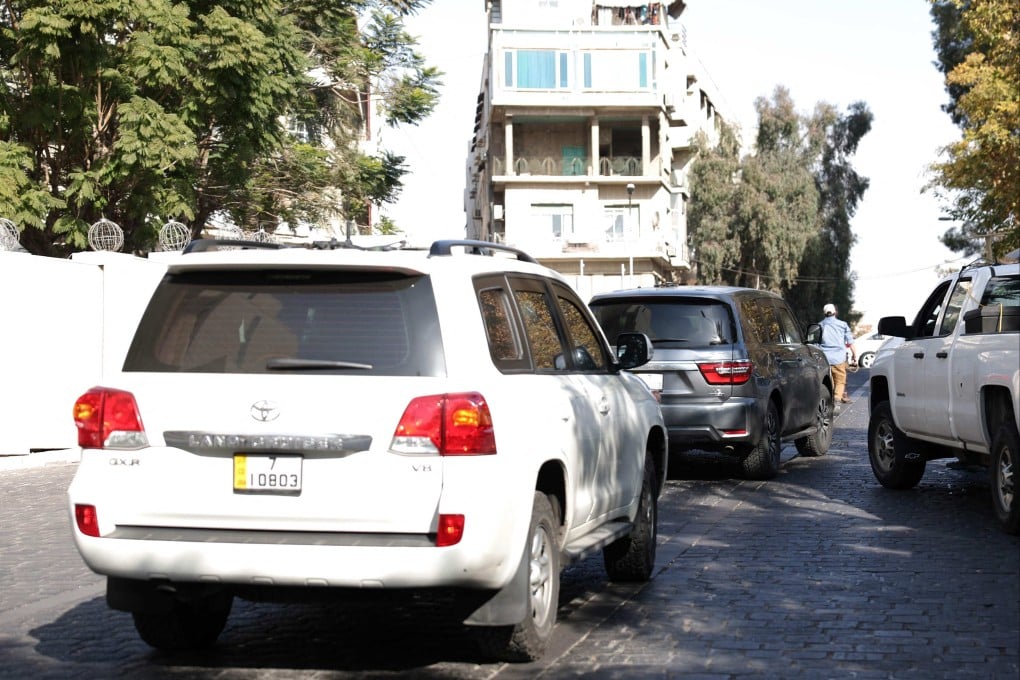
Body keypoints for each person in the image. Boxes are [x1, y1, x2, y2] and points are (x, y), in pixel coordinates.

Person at [819, 303, 856, 404]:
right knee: (840, 380)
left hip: (824, 358)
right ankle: (837, 399)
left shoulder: (819, 325)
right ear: (835, 312)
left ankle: (830, 398)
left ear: (824, 313)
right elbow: (850, 342)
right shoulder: (842, 325)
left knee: (827, 380)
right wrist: (854, 355)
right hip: (839, 358)